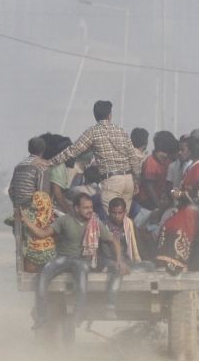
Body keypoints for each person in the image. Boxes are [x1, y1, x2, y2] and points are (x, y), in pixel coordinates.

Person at [22, 192, 129, 325]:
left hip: (81, 260)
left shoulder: (95, 223)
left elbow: (114, 241)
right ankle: (42, 316)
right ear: (76, 208)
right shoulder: (64, 220)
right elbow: (42, 233)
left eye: (91, 207)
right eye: (85, 208)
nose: (89, 210)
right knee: (43, 276)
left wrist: (119, 260)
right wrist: (26, 221)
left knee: (82, 282)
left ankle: (78, 316)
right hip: (63, 258)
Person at [44, 100, 142, 214]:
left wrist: (50, 162)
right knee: (123, 220)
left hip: (112, 181)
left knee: (111, 221)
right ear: (110, 115)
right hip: (128, 180)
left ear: (95, 116)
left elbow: (73, 150)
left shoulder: (93, 132)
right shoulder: (122, 131)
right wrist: (135, 181)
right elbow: (133, 159)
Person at [156, 136, 199, 275]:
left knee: (171, 226)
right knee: (167, 221)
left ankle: (177, 262)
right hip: (191, 207)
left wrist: (179, 195)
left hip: (195, 210)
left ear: (190, 152)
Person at [8, 136, 55, 272]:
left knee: (22, 243)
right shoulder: (42, 166)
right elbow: (43, 195)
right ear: (43, 150)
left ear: (29, 149)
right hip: (33, 212)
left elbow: (12, 190)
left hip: (18, 211)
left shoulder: (19, 166)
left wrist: (18, 206)